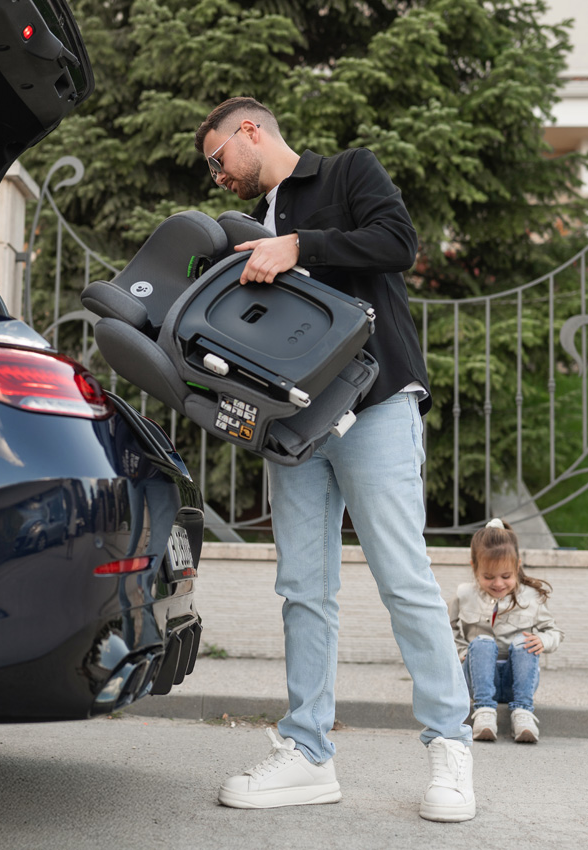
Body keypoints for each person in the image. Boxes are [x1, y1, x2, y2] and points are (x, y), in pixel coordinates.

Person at [195, 97, 475, 822]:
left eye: (218, 159)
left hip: (376, 403)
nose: (218, 176)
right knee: (303, 588)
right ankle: (308, 753)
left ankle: (451, 744)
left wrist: (299, 246)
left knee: (403, 578)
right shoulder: (246, 231)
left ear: (250, 131)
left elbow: (397, 243)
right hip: (293, 425)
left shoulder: (348, 172)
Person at [449, 518, 563, 743]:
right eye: (488, 577)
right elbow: (447, 629)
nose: (498, 584)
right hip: (478, 679)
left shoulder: (531, 597)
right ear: (474, 567)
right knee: (482, 641)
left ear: (517, 565)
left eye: (506, 576)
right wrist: (461, 651)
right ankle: (484, 711)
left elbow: (554, 632)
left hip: (517, 681)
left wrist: (542, 640)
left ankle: (523, 713)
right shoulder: (464, 594)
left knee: (523, 641)